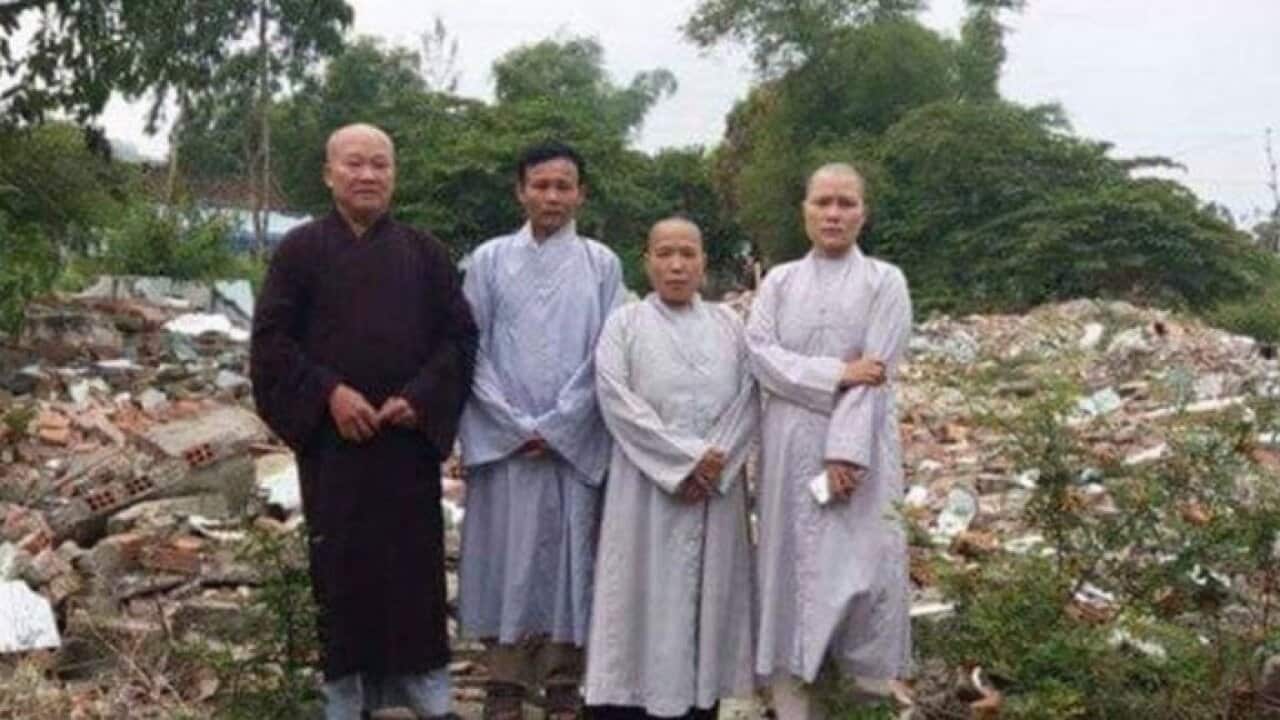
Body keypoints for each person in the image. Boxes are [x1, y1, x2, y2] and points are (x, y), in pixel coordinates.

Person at [250, 123, 477, 720]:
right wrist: (328, 394)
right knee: (341, 574)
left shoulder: (425, 254)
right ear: (329, 174)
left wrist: (421, 398)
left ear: (394, 175)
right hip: (335, 453)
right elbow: (271, 342)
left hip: (405, 450)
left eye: (380, 164)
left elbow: (459, 339)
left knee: (413, 577)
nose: (368, 175)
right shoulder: (300, 251)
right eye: (354, 164)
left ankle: (428, 697)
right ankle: (343, 701)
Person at [457, 141, 626, 719]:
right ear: (520, 190)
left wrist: (558, 425)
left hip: (571, 443)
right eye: (541, 185)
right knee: (503, 556)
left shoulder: (602, 265)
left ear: (580, 194)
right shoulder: (488, 261)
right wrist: (510, 423)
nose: (552, 196)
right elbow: (470, 347)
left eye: (563, 186)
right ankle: (504, 679)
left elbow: (609, 353)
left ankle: (563, 679)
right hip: (505, 442)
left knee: (570, 558)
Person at [746, 163, 912, 719]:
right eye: (823, 202)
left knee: (864, 569)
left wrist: (846, 452)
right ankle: (792, 699)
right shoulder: (779, 282)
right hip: (788, 445)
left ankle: (864, 695)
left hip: (860, 452)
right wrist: (837, 372)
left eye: (846, 203)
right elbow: (761, 355)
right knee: (788, 568)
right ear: (805, 211)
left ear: (863, 213)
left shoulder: (885, 282)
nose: (834, 214)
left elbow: (877, 369)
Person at [584, 218, 758, 720]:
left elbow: (750, 398)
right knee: (638, 600)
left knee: (706, 606)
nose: (677, 265)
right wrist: (684, 463)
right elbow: (617, 401)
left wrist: (715, 462)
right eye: (665, 254)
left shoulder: (730, 326)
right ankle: (628, 702)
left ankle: (699, 704)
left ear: (703, 263)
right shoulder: (624, 325)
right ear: (647, 262)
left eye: (687, 254)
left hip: (715, 492)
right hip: (646, 488)